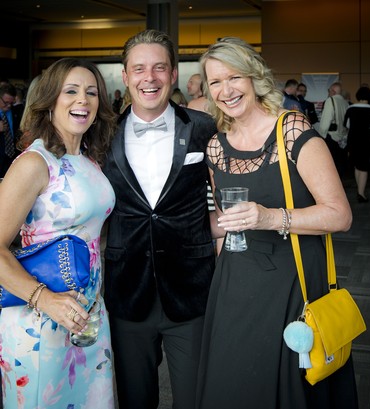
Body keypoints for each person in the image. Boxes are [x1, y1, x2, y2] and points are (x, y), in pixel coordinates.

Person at [195, 36, 358, 409]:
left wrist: (270, 217)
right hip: (235, 281)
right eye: (215, 82)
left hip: (292, 279)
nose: (225, 90)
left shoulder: (293, 130)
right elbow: (226, 222)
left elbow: (340, 214)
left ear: (254, 77)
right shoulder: (217, 146)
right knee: (234, 381)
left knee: (285, 385)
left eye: (233, 77)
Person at [103, 29, 217, 409]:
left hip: (192, 290)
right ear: (125, 74)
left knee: (196, 397)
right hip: (127, 290)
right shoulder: (101, 135)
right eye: (139, 68)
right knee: (135, 400)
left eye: (159, 68)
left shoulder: (203, 127)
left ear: (172, 74)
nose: (149, 77)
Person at [0, 58, 117, 408]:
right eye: (71, 91)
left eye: (91, 92)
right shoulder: (34, 163)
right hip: (37, 321)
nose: (83, 100)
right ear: (50, 100)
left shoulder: (88, 159)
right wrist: (46, 300)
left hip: (87, 317)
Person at [344, 86, 370, 202]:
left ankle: (359, 190)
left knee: (357, 165)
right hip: (366, 139)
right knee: (364, 167)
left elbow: (346, 125)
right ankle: (361, 194)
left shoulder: (350, 108)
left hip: (353, 139)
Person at [319, 82, 349, 178]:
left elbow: (325, 121)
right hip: (342, 137)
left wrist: (321, 136)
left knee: (330, 165)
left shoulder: (330, 100)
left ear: (333, 91)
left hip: (331, 136)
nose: (328, 92)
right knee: (340, 164)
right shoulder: (346, 103)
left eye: (329, 90)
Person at [0, 83, 21, 178]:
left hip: (13, 157)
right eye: (5, 102)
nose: (8, 106)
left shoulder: (15, 111)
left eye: (11, 103)